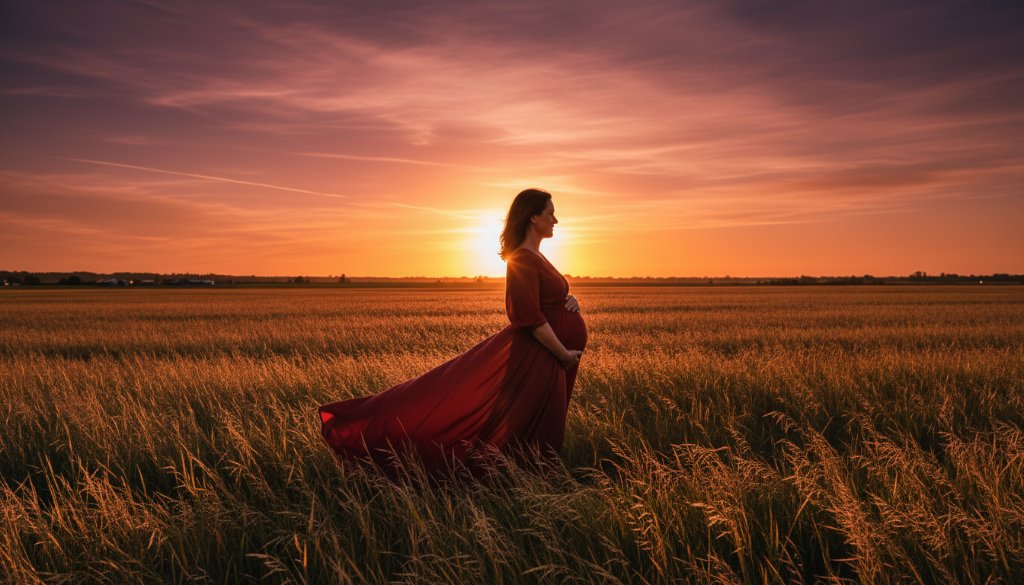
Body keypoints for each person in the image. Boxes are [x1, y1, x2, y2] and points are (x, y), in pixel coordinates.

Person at [317, 188, 587, 476]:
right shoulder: (522, 258)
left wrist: (570, 301)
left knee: (539, 424)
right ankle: (514, 483)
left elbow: (546, 302)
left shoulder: (536, 256)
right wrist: (562, 353)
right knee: (534, 425)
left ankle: (527, 482)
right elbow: (527, 316)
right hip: (540, 356)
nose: (555, 220)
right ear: (533, 217)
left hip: (551, 356)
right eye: (550, 213)